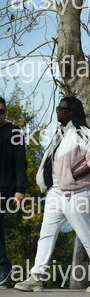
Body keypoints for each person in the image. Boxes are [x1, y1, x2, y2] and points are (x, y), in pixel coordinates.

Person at [14, 97, 90, 293]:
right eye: (57, 107)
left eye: (62, 108)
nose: (58, 110)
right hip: (55, 192)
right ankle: (36, 277)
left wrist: (73, 175)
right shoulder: (60, 133)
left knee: (85, 235)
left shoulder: (82, 133)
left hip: (76, 192)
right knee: (46, 234)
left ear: (72, 112)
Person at [0, 96, 27, 287]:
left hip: (3, 189)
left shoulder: (13, 132)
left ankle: (3, 266)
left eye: (1, 111)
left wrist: (20, 189)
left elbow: (20, 162)